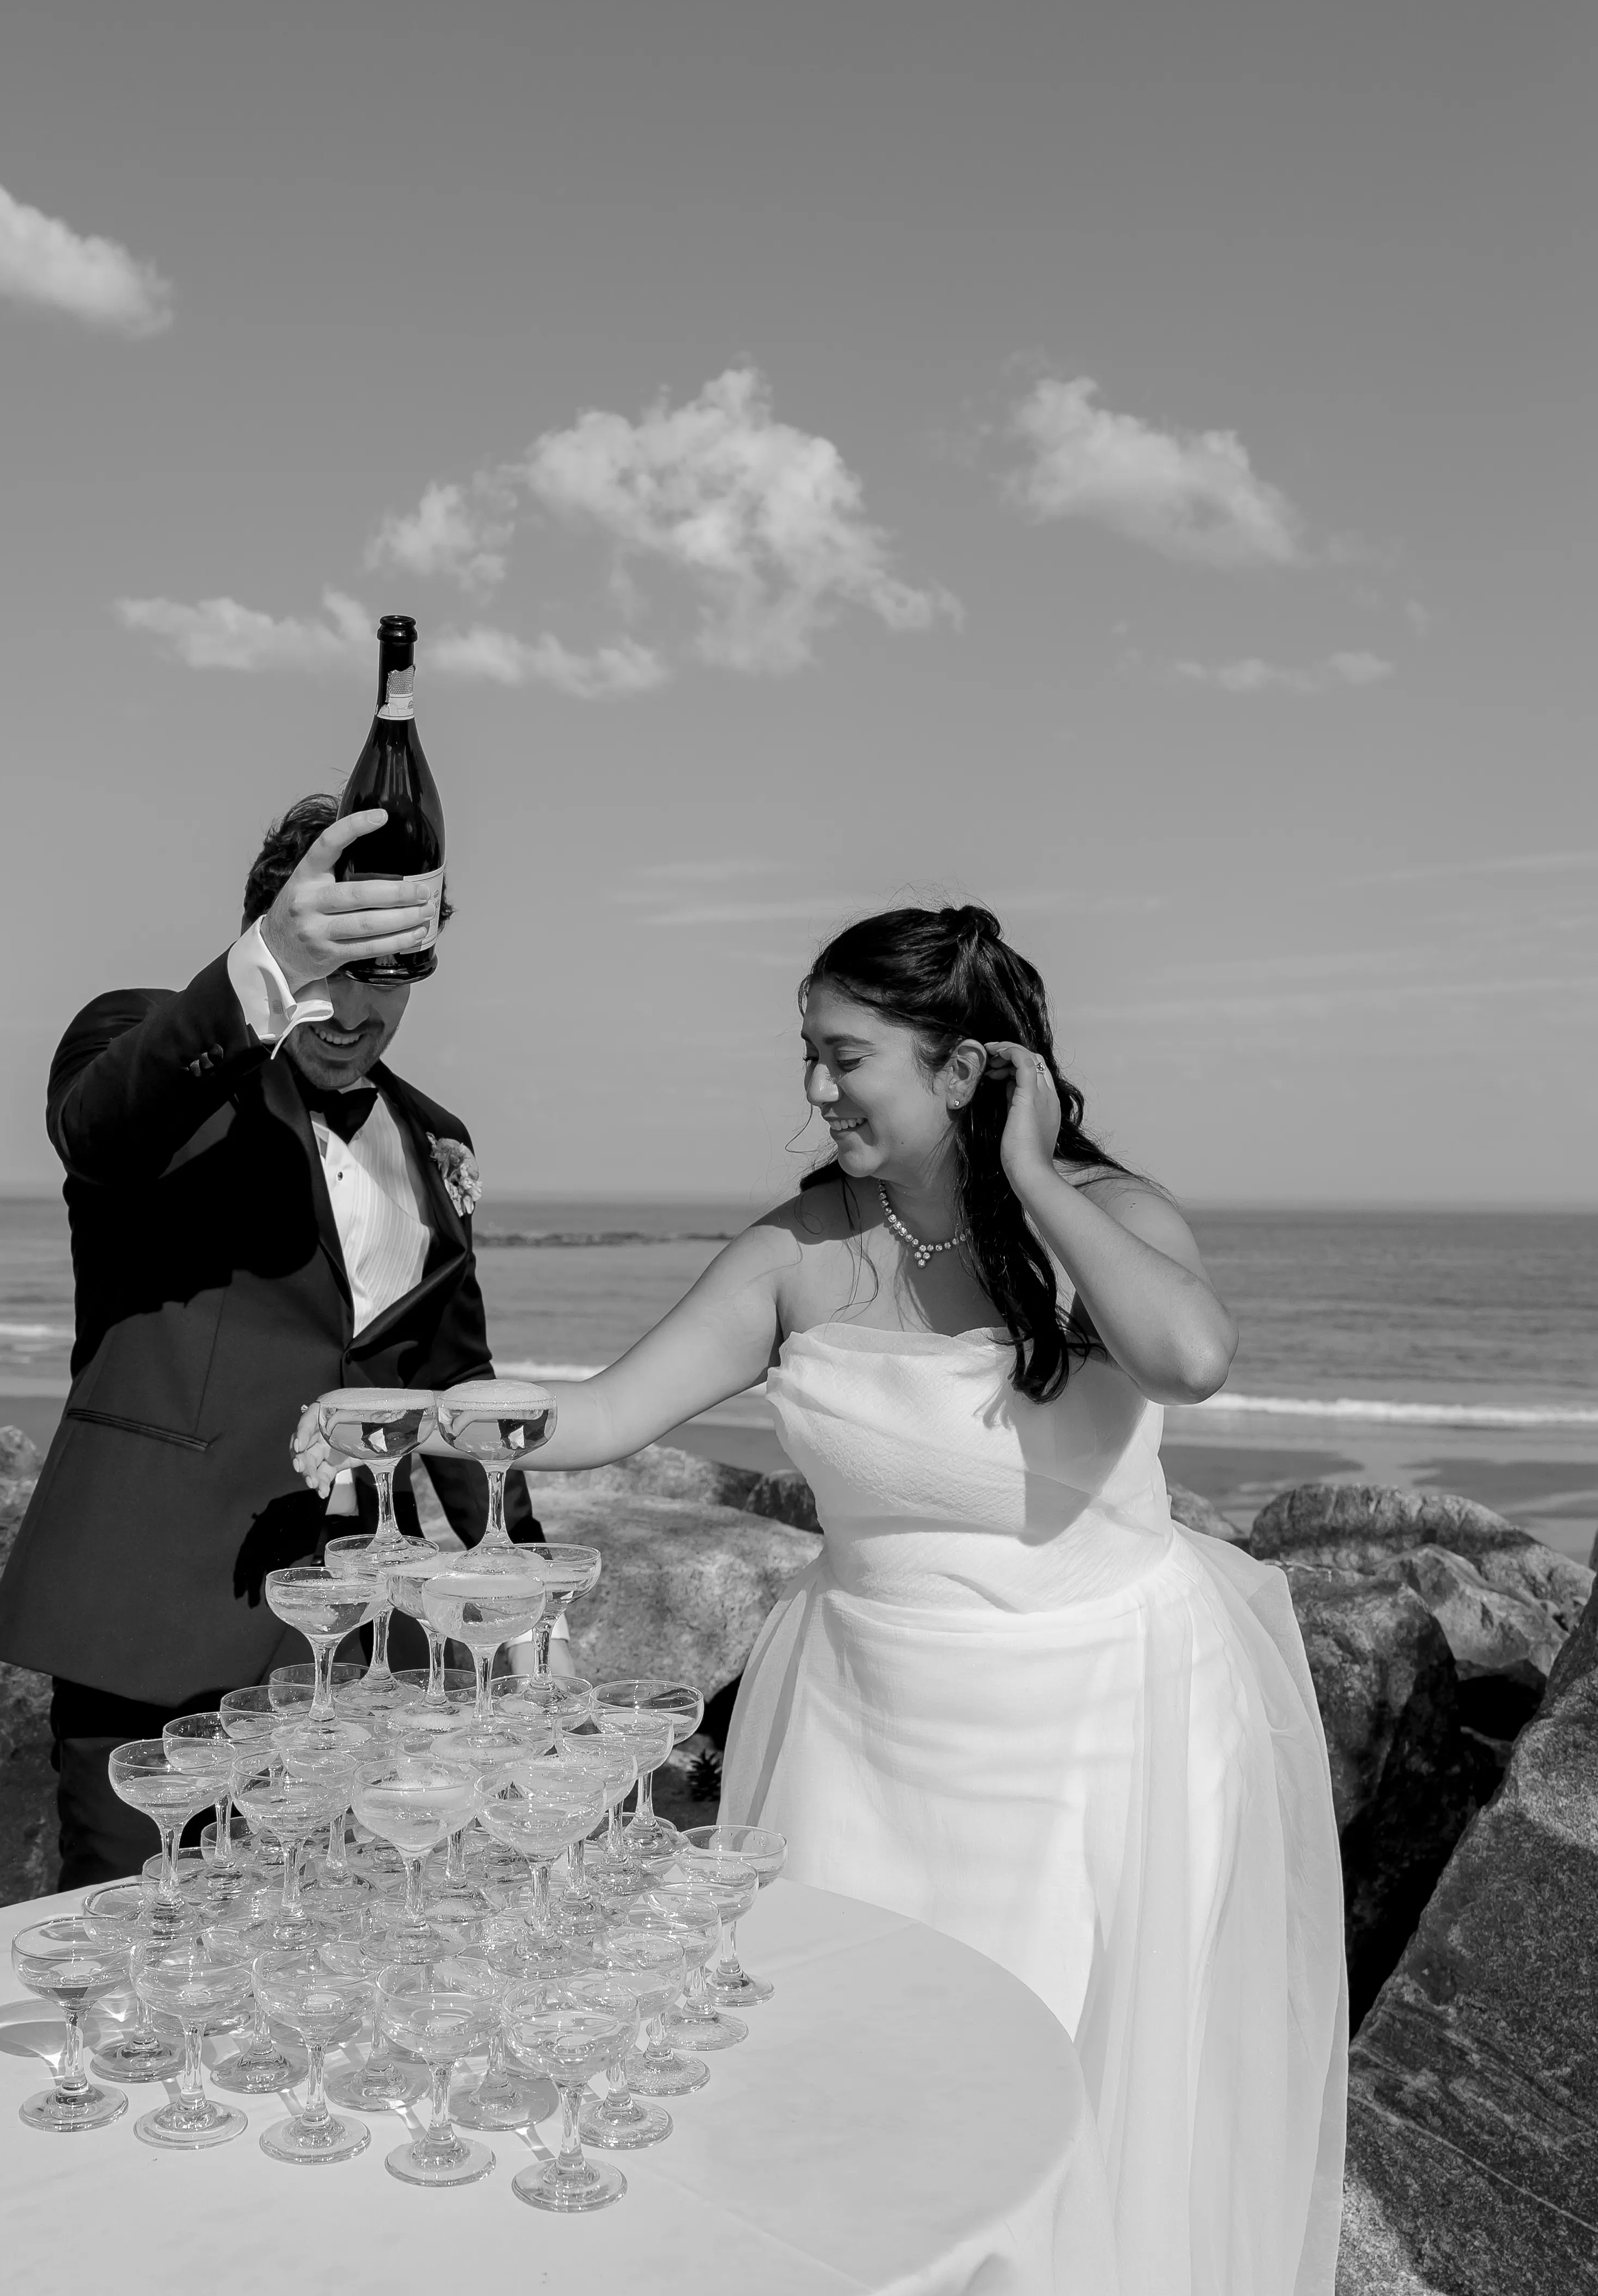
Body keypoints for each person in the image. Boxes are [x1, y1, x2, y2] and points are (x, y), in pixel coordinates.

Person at [297, 903, 1346, 2296]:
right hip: (863, 1730)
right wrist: (419, 1415)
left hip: (1103, 1728)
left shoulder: (1111, 1218)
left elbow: (1192, 1358)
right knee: (852, 2081)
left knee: (1061, 2093)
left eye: (847, 1056)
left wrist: (1031, 1173)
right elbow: (604, 1414)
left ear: (960, 1068)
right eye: (810, 1050)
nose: (816, 1087)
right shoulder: (796, 1249)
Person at [0, 794, 542, 1890]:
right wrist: (277, 962)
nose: (353, 1010)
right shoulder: (150, 1045)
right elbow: (101, 1131)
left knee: (351, 1935)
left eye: (389, 976)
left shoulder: (436, 1137)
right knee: (138, 1933)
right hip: (158, 1609)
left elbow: (452, 1375)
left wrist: (515, 1592)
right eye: (332, 965)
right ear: (273, 934)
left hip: (364, 1636)